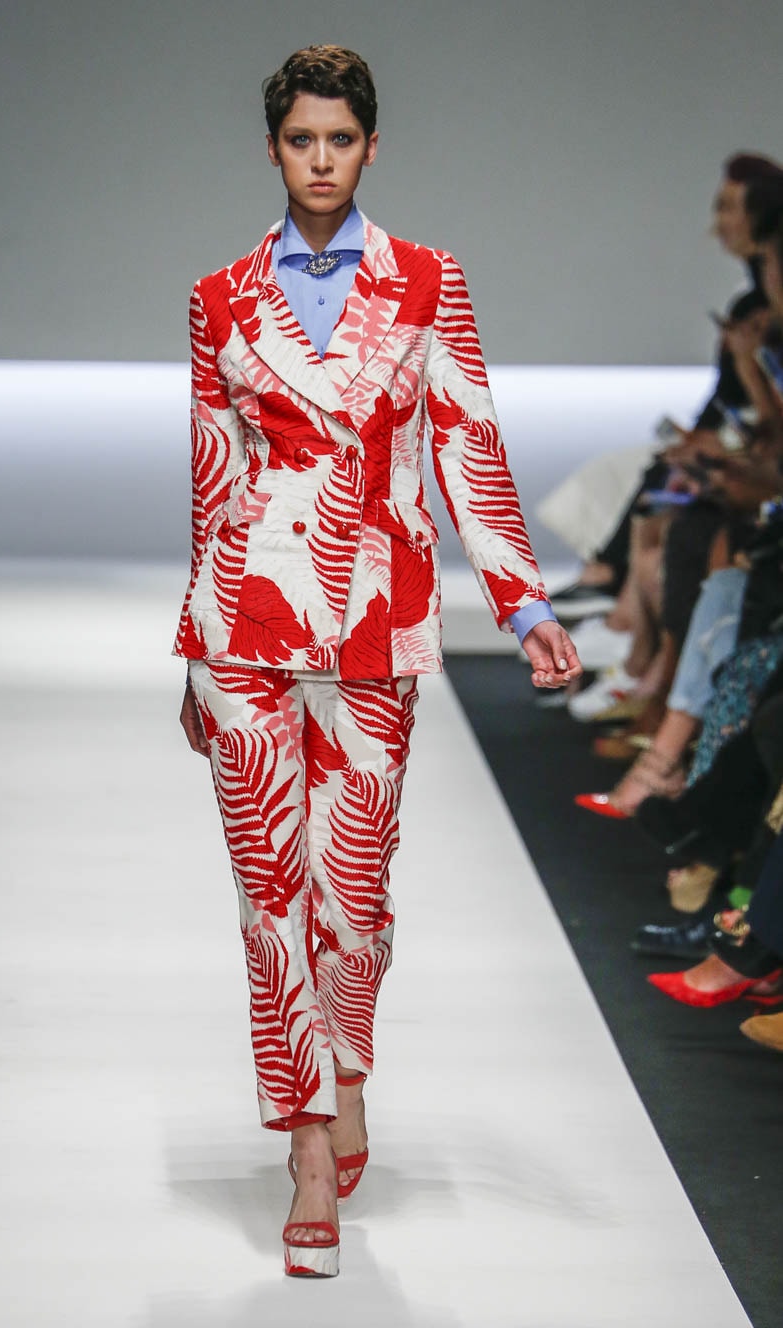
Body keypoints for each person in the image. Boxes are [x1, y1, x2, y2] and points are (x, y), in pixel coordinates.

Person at [174, 44, 581, 1279]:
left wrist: (522, 599)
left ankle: (348, 1066)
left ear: (369, 146)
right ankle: (307, 1141)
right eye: (301, 140)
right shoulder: (218, 296)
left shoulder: (428, 283)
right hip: (245, 626)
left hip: (372, 618)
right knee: (270, 893)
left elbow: (467, 441)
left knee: (352, 890)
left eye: (339, 139)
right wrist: (190, 642)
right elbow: (212, 474)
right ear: (272, 149)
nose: (320, 160)